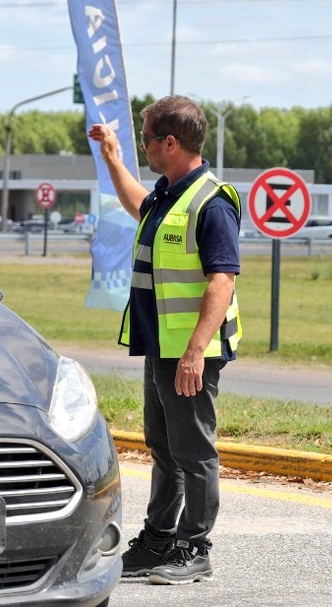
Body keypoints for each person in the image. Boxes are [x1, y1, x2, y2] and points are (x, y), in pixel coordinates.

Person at [88, 95, 242, 586]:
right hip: (162, 347)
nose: (145, 146)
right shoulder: (167, 195)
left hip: (191, 351)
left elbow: (222, 280)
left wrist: (195, 350)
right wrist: (113, 158)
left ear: (170, 143)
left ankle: (195, 548)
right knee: (164, 446)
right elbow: (137, 204)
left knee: (193, 452)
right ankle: (158, 540)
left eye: (147, 138)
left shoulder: (211, 202)